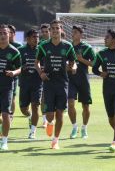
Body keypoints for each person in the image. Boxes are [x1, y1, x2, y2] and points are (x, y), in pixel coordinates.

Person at [35, 20, 76, 149]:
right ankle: (50, 122)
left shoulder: (68, 46)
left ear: (61, 30)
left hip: (63, 83)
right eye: (52, 28)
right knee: (49, 114)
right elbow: (36, 62)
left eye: (57, 28)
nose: (54, 30)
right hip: (48, 83)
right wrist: (41, 73)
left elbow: (73, 62)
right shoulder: (43, 46)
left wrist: (73, 67)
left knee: (59, 112)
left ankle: (55, 140)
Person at [68, 25, 95, 139]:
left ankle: (84, 128)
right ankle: (74, 127)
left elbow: (94, 63)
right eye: (72, 32)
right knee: (70, 103)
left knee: (86, 106)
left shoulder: (87, 48)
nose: (73, 34)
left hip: (83, 80)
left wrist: (81, 60)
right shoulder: (67, 47)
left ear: (80, 34)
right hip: (70, 80)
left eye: (75, 32)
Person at [0, 24, 21, 150]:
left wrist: (13, 72)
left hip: (7, 86)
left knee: (5, 113)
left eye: (4, 33)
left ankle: (5, 141)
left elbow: (20, 68)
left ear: (9, 35)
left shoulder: (14, 52)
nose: (2, 35)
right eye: (0, 33)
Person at [18, 29, 42, 139]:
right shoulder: (20, 50)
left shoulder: (42, 50)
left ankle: (33, 131)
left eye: (37, 37)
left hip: (37, 83)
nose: (36, 39)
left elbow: (46, 64)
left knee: (35, 106)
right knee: (23, 109)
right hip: (24, 83)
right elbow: (15, 66)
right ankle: (30, 116)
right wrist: (22, 68)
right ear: (27, 39)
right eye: (34, 37)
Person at [8, 24, 22, 120]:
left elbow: (21, 62)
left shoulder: (19, 46)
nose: (9, 34)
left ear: (14, 34)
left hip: (14, 75)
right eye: (7, 32)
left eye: (11, 32)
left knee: (12, 96)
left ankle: (11, 115)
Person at [39, 23, 50, 128]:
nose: (45, 34)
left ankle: (52, 117)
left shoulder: (58, 43)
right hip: (43, 73)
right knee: (43, 97)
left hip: (57, 75)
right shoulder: (40, 44)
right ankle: (44, 120)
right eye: (43, 32)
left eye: (46, 31)